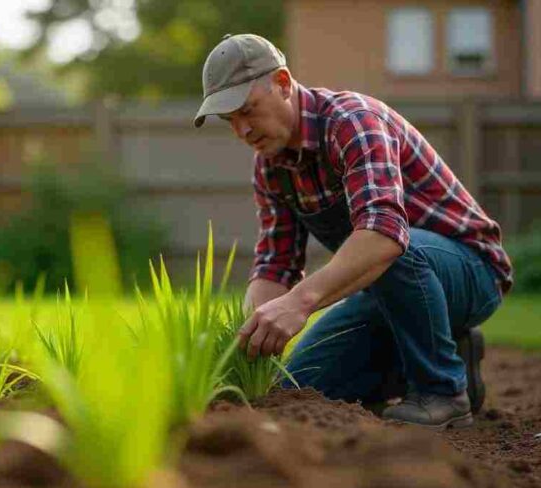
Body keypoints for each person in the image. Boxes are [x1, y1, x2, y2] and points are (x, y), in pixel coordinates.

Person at [194, 34, 512, 429]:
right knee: (296, 387)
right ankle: (442, 356)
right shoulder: (271, 166)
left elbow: (383, 235)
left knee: (394, 245)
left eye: (248, 110)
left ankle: (442, 389)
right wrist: (247, 343)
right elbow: (276, 265)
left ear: (282, 83)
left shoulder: (352, 122)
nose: (242, 130)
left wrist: (300, 303)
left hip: (469, 272)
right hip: (388, 289)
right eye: (231, 121)